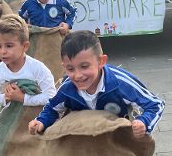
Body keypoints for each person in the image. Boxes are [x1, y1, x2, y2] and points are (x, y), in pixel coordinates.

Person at [29, 30, 165, 136]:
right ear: (63, 66)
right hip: (82, 142)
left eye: (84, 66)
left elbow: (155, 104)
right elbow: (52, 108)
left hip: (118, 140)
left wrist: (143, 122)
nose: (77, 75)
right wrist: (41, 122)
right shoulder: (67, 89)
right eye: (70, 69)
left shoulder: (121, 83)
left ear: (101, 61)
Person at [0, 14, 56, 108]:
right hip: (10, 117)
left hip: (36, 116)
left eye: (9, 46)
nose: (3, 51)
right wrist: (7, 96)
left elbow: (51, 97)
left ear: (25, 46)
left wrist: (23, 98)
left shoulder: (37, 68)